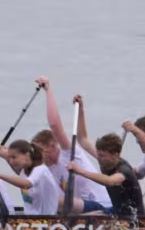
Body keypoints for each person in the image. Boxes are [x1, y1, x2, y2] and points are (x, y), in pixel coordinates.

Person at [40, 80, 112, 213]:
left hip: (102, 205)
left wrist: (48, 90)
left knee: (56, 200)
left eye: (41, 150)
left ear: (52, 146)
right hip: (81, 209)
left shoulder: (69, 153)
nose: (38, 156)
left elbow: (55, 125)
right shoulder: (45, 169)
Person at [66, 132, 145, 220]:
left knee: (86, 220)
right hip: (115, 212)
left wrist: (79, 170)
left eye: (102, 155)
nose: (98, 158)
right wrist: (80, 120)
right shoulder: (105, 160)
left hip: (133, 219)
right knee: (78, 220)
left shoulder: (124, 170)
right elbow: (82, 139)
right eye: (98, 154)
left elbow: (110, 181)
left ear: (115, 155)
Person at [0, 139, 61, 216]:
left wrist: (0, 176)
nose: (11, 161)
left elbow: (26, 184)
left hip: (48, 219)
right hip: (31, 219)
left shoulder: (41, 169)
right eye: (10, 158)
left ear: (27, 155)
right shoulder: (23, 172)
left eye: (14, 157)